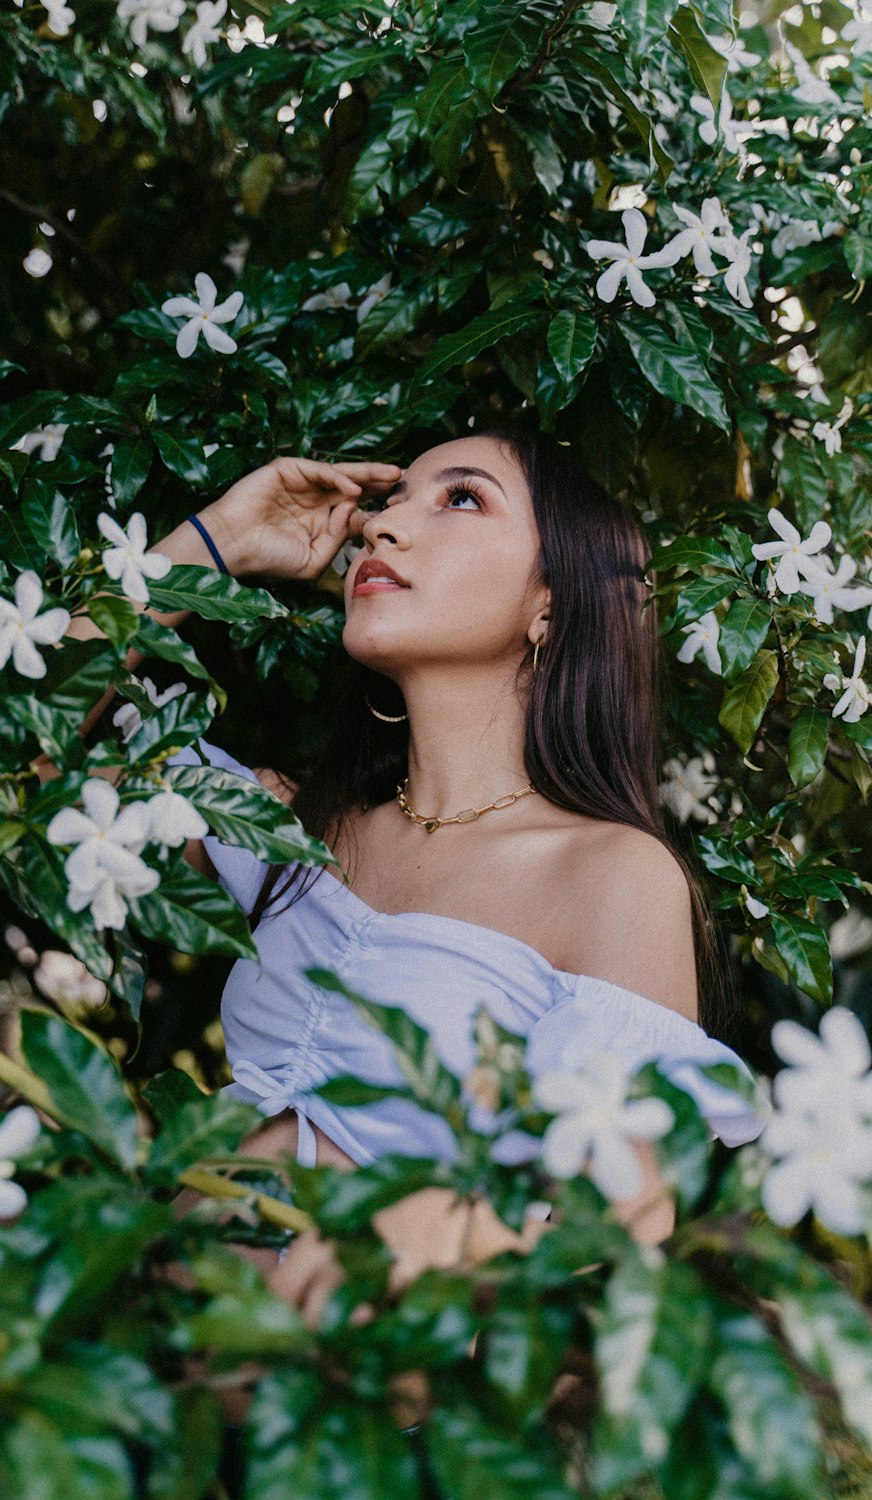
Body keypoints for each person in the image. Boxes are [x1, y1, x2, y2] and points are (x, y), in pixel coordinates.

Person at [77, 428, 762, 1319]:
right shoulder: (289, 823)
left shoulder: (610, 874)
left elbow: (613, 1255)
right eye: (392, 503)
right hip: (127, 1373)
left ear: (549, 605)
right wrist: (216, 543)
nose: (381, 529)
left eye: (463, 499)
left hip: (361, 1429)